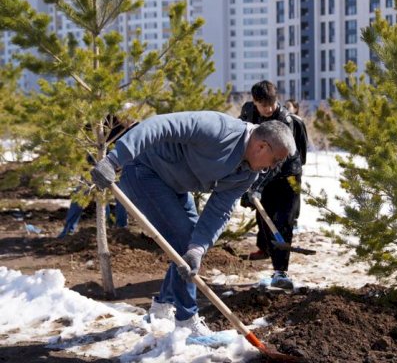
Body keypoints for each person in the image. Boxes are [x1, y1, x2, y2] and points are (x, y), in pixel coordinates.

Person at [90, 111, 295, 345]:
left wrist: (198, 248)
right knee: (183, 238)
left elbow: (220, 209)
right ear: (261, 146)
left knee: (190, 246)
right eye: (275, 159)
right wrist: (115, 160)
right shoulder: (219, 129)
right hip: (145, 171)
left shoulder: (249, 173)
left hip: (175, 185)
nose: (273, 167)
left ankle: (162, 306)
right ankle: (186, 321)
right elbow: (159, 125)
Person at [239, 81, 308, 290]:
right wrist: (246, 182)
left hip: (287, 174)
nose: (268, 109)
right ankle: (271, 254)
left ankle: (281, 271)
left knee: (283, 221)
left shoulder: (284, 120)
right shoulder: (248, 113)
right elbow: (241, 141)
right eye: (263, 105)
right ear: (255, 102)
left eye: (271, 104)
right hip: (261, 171)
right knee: (265, 219)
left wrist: (258, 186)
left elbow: (280, 160)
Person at [58, 115, 136, 238]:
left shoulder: (132, 128)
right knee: (81, 194)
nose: (129, 123)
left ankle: (121, 230)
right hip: (93, 164)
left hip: (118, 167)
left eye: (132, 121)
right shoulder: (104, 122)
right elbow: (85, 137)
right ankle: (68, 231)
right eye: (128, 119)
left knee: (122, 198)